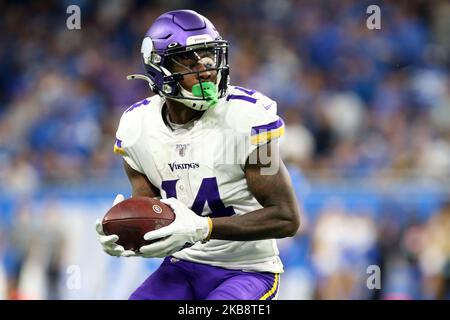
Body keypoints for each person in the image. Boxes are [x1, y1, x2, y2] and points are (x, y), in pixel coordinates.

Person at [95, 9, 300, 300]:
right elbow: (149, 207)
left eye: (208, 56)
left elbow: (286, 218)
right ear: (159, 67)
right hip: (182, 266)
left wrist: (203, 228)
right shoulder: (136, 127)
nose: (204, 69)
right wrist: (122, 232)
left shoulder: (246, 119)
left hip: (248, 271)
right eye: (188, 59)